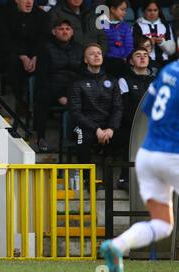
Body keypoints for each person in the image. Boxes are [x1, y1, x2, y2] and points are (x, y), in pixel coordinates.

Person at [100, 57, 179, 272]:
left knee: (163, 224)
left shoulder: (167, 72)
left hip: (147, 154)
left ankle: (116, 245)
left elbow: (146, 108)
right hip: (171, 154)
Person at [69, 44, 124, 181]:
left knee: (124, 138)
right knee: (83, 139)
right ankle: (87, 180)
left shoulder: (112, 80)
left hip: (107, 126)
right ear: (85, 60)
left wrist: (111, 128)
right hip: (84, 125)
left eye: (99, 53)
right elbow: (75, 112)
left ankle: (114, 181)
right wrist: (96, 129)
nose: (96, 55)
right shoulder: (77, 81)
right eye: (92, 54)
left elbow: (118, 107)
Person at [0, 0, 49, 116]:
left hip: (34, 55)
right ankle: (20, 100)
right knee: (14, 62)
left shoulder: (41, 15)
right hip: (10, 53)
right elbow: (4, 39)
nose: (29, 3)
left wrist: (35, 56)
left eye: (31, 0)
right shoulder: (3, 14)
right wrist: (22, 56)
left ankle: (40, 105)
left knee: (46, 61)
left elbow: (43, 38)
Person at [34, 18, 83, 151]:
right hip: (52, 86)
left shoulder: (79, 49)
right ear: (54, 31)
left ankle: (80, 141)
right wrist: (59, 96)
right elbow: (42, 76)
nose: (64, 31)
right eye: (61, 29)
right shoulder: (45, 48)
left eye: (67, 29)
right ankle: (41, 137)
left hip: (73, 88)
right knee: (41, 96)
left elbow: (82, 74)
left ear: (72, 32)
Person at [117, 47, 155, 190]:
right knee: (131, 138)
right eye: (138, 55)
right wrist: (138, 124)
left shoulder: (156, 81)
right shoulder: (124, 80)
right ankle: (124, 178)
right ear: (131, 61)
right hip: (130, 124)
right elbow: (123, 108)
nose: (142, 57)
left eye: (145, 55)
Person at [133, 0, 176, 71]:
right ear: (144, 11)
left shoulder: (166, 25)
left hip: (165, 63)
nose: (152, 13)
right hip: (145, 64)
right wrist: (148, 43)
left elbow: (172, 51)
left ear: (159, 11)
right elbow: (134, 48)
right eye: (149, 10)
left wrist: (162, 43)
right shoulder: (137, 26)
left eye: (155, 10)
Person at [100, 0, 134, 78]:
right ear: (112, 9)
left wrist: (126, 58)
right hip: (104, 62)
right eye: (122, 9)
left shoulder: (125, 26)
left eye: (125, 10)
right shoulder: (101, 23)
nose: (124, 12)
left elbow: (129, 46)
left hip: (121, 62)